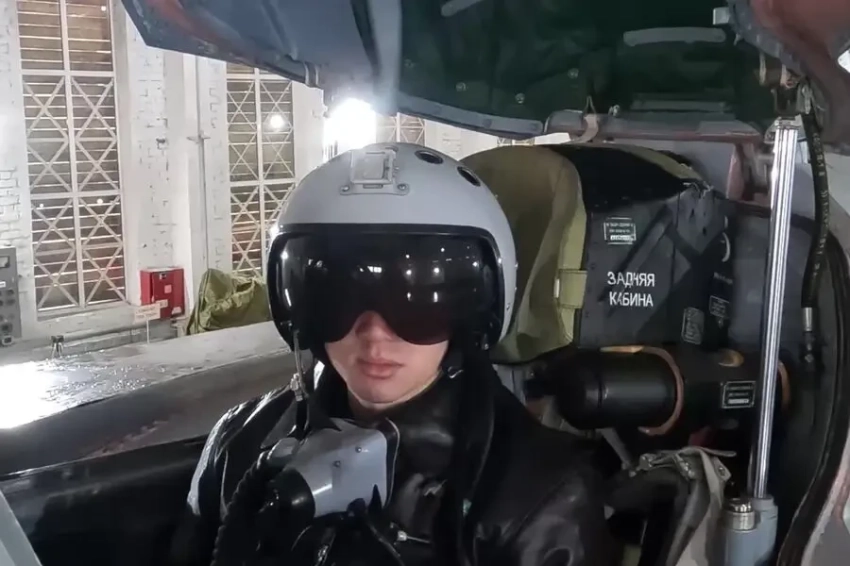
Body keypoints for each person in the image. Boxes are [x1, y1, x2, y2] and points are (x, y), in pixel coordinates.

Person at [168, 143, 615, 566]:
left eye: (418, 303)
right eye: (339, 298)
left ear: (474, 312)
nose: (374, 334)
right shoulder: (242, 440)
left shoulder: (542, 495)